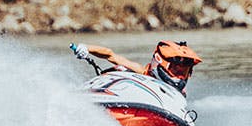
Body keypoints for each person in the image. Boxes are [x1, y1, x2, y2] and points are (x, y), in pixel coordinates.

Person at [71, 40, 203, 93]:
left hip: (160, 114)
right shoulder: (141, 72)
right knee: (121, 70)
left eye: (183, 71)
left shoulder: (180, 92)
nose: (179, 76)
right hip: (124, 100)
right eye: (175, 69)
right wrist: (87, 48)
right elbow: (111, 55)